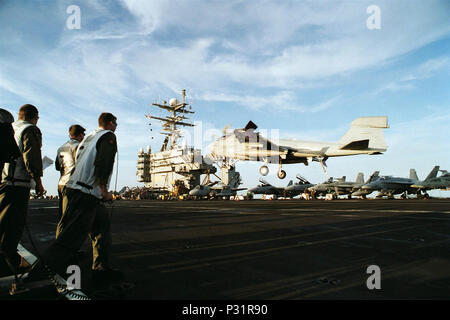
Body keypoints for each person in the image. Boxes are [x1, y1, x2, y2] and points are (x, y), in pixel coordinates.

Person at [29, 112, 122, 283]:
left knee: (102, 230)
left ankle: (101, 270)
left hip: (79, 190)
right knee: (70, 239)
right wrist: (104, 190)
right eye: (115, 123)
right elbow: (104, 163)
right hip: (86, 193)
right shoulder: (108, 136)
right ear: (110, 123)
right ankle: (35, 277)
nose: (116, 126)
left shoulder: (90, 137)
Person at [0, 104, 45, 273]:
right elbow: (31, 158)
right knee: (13, 226)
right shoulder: (31, 129)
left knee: (3, 222)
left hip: (5, 181)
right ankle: (7, 262)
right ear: (34, 117)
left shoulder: (9, 127)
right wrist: (38, 183)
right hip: (17, 184)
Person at [55, 124, 85, 222]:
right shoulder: (79, 147)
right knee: (71, 218)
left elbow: (57, 166)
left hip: (61, 183)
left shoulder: (61, 148)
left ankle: (60, 235)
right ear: (80, 135)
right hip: (72, 185)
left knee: (62, 216)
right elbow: (81, 166)